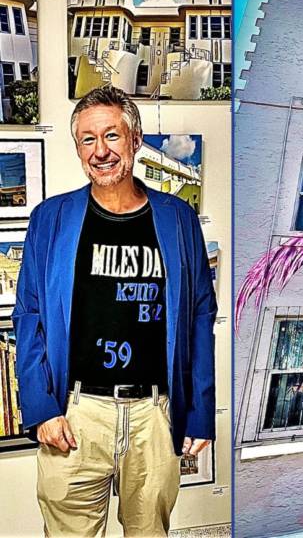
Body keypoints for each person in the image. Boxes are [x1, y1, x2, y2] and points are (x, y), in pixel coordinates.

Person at [13, 86, 217, 537]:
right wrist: (41, 408)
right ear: (78, 148)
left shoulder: (179, 218)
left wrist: (200, 412)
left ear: (135, 139)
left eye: (111, 135)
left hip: (154, 415)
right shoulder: (50, 217)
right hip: (76, 412)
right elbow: (28, 315)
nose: (100, 151)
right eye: (88, 139)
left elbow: (201, 318)